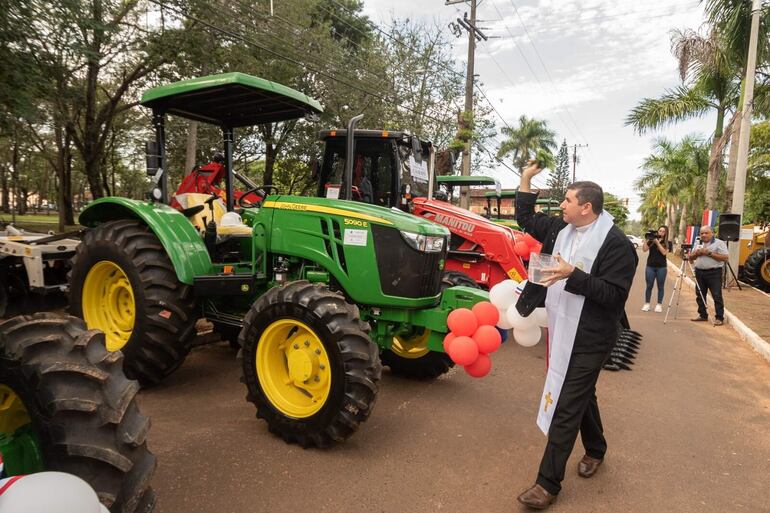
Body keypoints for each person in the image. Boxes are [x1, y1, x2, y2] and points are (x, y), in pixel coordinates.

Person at [513, 162, 638, 510]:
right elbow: (525, 217)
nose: (561, 206)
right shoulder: (560, 229)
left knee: (568, 403)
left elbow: (614, 296)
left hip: (592, 335)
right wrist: (525, 179)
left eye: (567, 201)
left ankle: (547, 483)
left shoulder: (617, 245)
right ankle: (596, 449)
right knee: (582, 394)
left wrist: (573, 275)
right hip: (562, 324)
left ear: (586, 207)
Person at [687, 225, 729, 326]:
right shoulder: (698, 242)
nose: (704, 235)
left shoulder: (719, 243)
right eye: (702, 233)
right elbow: (690, 257)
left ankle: (719, 317)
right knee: (700, 294)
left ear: (712, 233)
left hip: (714, 273)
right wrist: (697, 253)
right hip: (699, 272)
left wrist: (709, 253)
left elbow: (725, 258)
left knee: (716, 295)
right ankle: (702, 315)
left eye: (706, 233)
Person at [641, 225, 673, 312]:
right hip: (650, 266)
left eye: (663, 231)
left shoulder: (668, 242)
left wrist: (657, 242)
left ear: (666, 233)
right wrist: (647, 240)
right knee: (649, 286)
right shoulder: (651, 240)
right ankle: (647, 304)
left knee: (660, 286)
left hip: (661, 267)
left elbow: (664, 252)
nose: (661, 232)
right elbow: (644, 250)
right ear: (657, 231)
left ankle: (659, 305)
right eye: (660, 231)